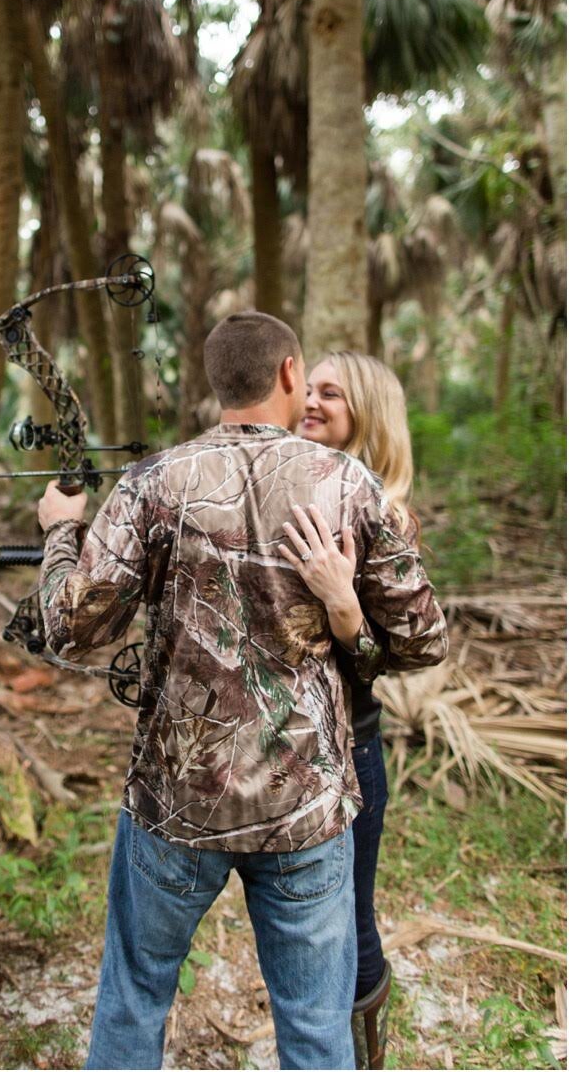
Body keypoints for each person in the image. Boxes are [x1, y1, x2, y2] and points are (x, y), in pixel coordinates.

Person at [33, 312, 448, 1070]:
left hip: (176, 803)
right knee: (316, 1033)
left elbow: (69, 629)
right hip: (305, 813)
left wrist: (63, 529)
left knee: (133, 1002)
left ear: (214, 381)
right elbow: (424, 639)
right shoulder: (351, 484)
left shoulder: (153, 481)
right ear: (289, 372)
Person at [285, 351, 420, 1069]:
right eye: (308, 387)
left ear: (365, 410)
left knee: (347, 922)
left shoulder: (385, 511)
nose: (311, 401)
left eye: (330, 392)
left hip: (352, 749)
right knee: (306, 931)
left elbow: (388, 661)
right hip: (286, 750)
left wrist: (344, 608)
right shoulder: (294, 489)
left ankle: (363, 1054)